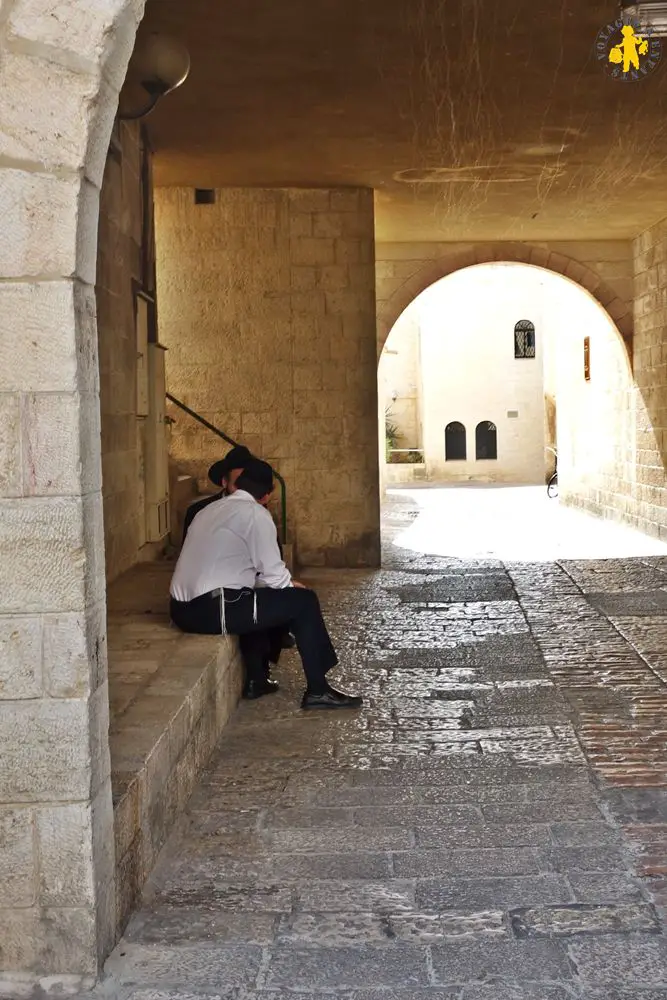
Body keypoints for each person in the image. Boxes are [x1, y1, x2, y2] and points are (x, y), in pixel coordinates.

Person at [169, 458, 362, 710]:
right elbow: (274, 573)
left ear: (236, 486)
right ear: (267, 495)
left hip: (181, 609)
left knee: (257, 595)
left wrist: (283, 586)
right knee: (303, 603)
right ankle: (318, 690)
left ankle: (257, 679)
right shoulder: (256, 514)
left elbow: (248, 573)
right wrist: (293, 587)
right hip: (211, 609)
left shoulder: (208, 509)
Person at [182, 445, 252, 543]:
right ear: (225, 482)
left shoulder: (259, 510)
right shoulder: (197, 513)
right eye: (238, 483)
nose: (244, 491)